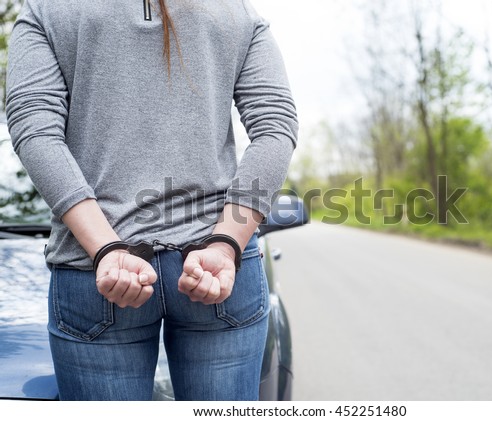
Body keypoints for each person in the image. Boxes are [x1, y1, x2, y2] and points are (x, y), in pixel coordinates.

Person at [6, 0, 298, 401]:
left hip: (97, 273)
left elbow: (34, 130)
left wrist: (107, 248)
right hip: (215, 269)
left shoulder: (47, 9)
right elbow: (276, 127)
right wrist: (226, 242)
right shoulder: (236, 12)